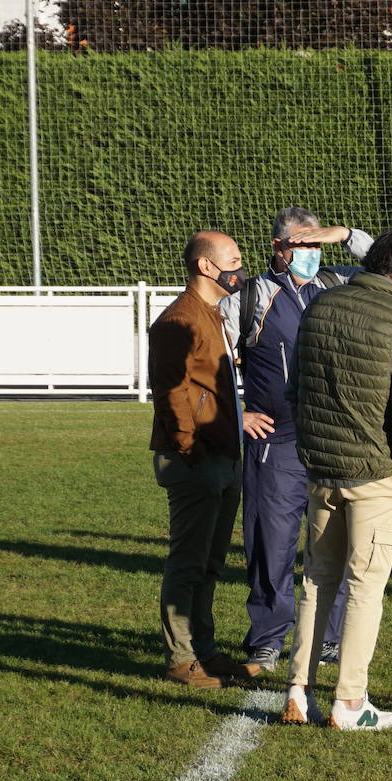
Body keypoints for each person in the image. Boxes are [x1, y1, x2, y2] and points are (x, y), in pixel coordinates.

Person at [279, 227, 392, 730]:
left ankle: (298, 691)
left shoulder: (320, 304)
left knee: (317, 581)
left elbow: (295, 387)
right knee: (366, 587)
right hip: (375, 471)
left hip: (322, 465)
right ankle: (349, 702)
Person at [221, 206, 373, 676]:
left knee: (333, 541)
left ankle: (327, 639)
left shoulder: (338, 284)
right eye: (299, 244)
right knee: (271, 541)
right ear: (277, 248)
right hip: (277, 441)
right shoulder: (247, 298)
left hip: (333, 437)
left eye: (314, 244)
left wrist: (345, 234)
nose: (308, 253)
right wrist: (238, 411)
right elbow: (212, 361)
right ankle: (266, 640)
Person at [149, 231, 249, 687]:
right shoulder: (178, 321)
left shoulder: (212, 314)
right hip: (197, 460)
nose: (240, 267)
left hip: (223, 455)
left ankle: (204, 650)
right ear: (206, 267)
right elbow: (170, 396)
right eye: (233, 259)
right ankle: (181, 659)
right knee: (188, 562)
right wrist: (191, 448)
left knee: (210, 562)